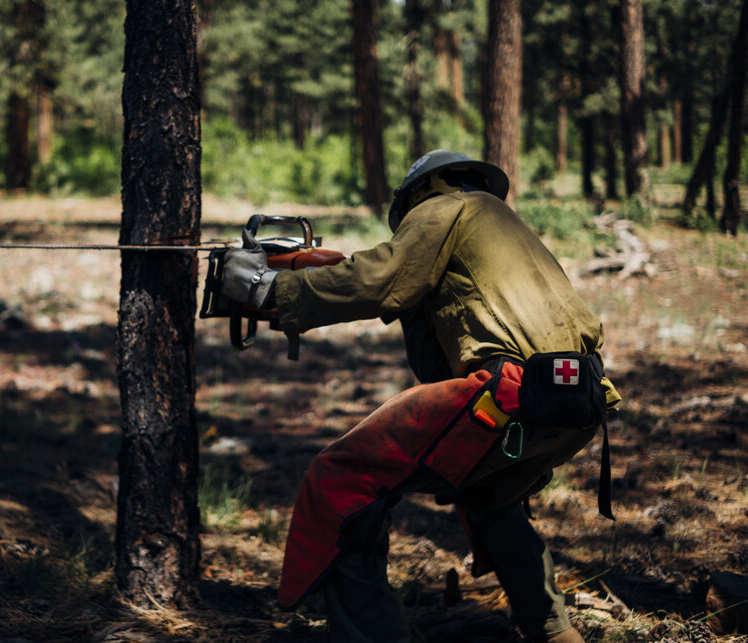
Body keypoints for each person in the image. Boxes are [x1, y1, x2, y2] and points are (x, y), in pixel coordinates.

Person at [222, 150, 620, 643]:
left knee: (339, 477)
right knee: (487, 495)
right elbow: (436, 360)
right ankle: (556, 633)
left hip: (507, 395)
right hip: (582, 401)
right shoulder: (509, 228)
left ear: (419, 191)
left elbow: (380, 278)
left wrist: (270, 289)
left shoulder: (443, 207)